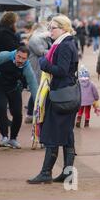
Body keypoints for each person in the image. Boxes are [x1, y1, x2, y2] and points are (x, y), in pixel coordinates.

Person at [28, 14, 79, 184]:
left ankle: (46, 172)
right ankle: (67, 173)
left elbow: (62, 70)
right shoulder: (66, 42)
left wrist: (44, 63)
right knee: (66, 134)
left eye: (53, 28)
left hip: (61, 95)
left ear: (63, 28)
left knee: (52, 133)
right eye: (49, 28)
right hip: (67, 94)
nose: (50, 32)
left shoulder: (64, 45)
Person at [0, 46, 38, 148]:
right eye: (19, 57)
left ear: (27, 59)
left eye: (23, 59)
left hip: (14, 89)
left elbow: (33, 84)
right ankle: (4, 137)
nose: (20, 60)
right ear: (15, 54)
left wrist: (38, 102)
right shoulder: (4, 56)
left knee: (17, 114)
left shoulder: (26, 67)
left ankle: (13, 139)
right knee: (1, 108)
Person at [26, 23, 51, 124]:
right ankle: (30, 114)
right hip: (36, 67)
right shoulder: (35, 39)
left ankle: (31, 114)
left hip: (39, 67)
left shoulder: (41, 38)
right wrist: (53, 51)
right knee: (36, 92)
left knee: (38, 91)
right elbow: (41, 51)